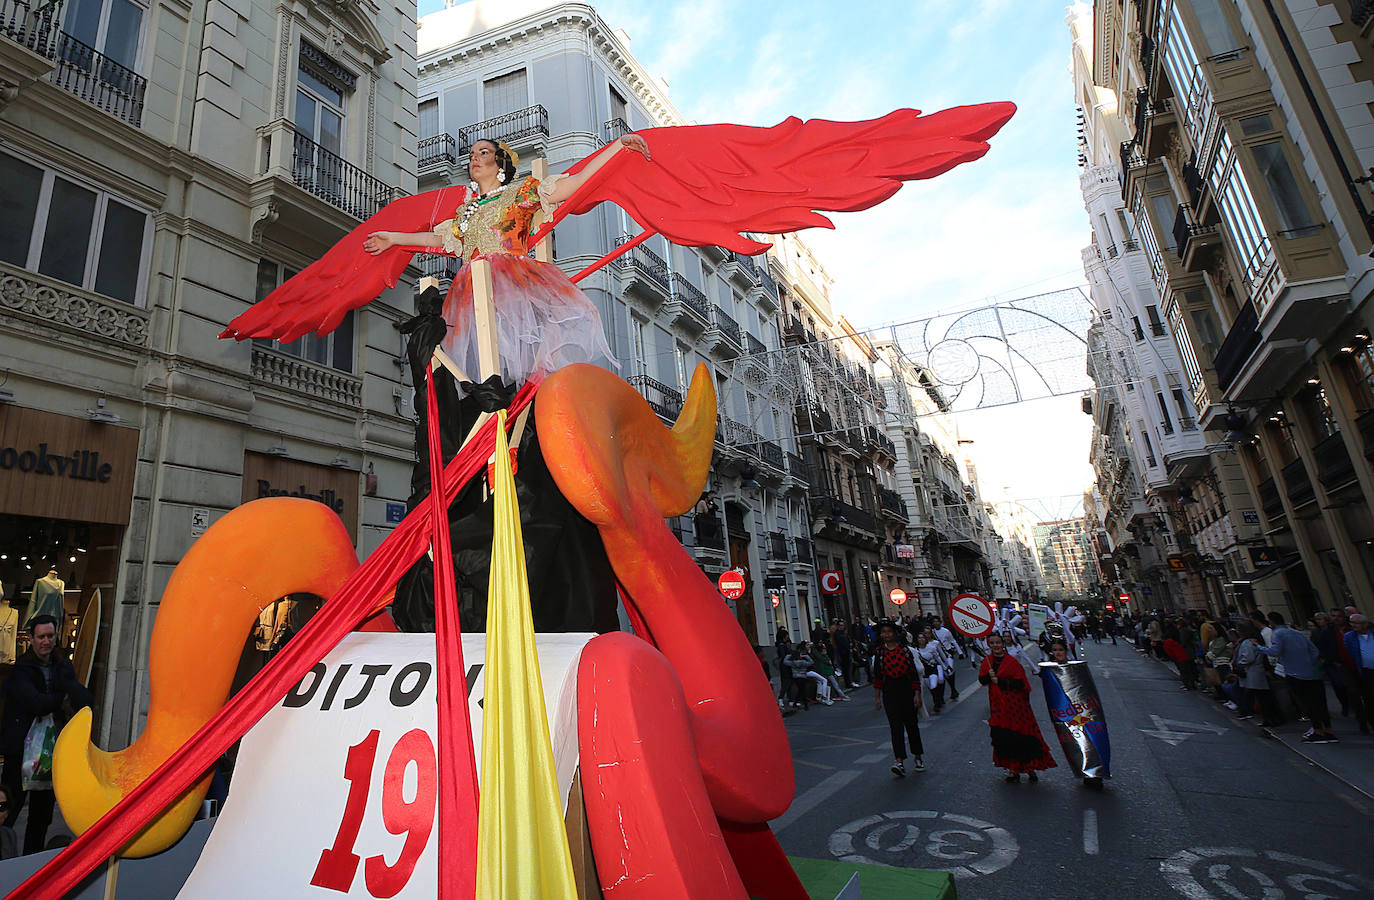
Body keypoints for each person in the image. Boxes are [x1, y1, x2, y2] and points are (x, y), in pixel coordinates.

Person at [1, 615, 93, 854]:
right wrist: (61, 698)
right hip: (20, 751)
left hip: (51, 753)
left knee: (41, 817)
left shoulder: (62, 666)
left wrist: (67, 687)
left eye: (50, 636)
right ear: (31, 639)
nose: (46, 641)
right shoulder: (22, 668)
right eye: (41, 636)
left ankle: (31, 863)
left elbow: (84, 700)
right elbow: (35, 703)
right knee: (9, 808)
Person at [978, 632, 1056, 782]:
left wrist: (1000, 681)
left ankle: (1030, 767)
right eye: (992, 643)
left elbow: (1021, 683)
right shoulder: (987, 662)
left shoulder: (1011, 662)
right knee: (1004, 737)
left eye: (998, 643)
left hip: (1016, 707)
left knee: (1022, 736)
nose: (995, 646)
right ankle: (1013, 769)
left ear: (1003, 644)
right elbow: (982, 680)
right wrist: (989, 676)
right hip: (998, 706)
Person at [1257, 612, 1335, 743]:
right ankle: (1328, 731)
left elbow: (1275, 652)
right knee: (1319, 702)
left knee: (1307, 702)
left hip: (1295, 673)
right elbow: (1315, 651)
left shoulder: (1278, 634)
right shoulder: (1297, 633)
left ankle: (1317, 731)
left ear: (1272, 622)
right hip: (1312, 672)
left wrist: (1258, 647)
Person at [871, 621, 925, 777]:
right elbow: (878, 677)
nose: (886, 635)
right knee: (896, 728)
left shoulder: (905, 651)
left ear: (894, 633)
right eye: (883, 632)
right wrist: (877, 698)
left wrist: (917, 694)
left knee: (912, 726)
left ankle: (918, 756)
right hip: (890, 693)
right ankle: (899, 761)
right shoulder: (880, 653)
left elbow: (914, 675)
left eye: (889, 631)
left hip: (906, 691)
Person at [1233, 623, 1280, 726]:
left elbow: (1249, 658)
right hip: (1258, 671)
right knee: (1264, 697)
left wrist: (1239, 663)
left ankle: (1270, 719)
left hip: (1253, 672)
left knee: (1262, 697)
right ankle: (1270, 718)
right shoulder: (1255, 640)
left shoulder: (1247, 642)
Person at [1343, 613, 1374, 734]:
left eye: (1356, 623)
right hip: (1366, 672)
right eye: (1352, 623)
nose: (1353, 625)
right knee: (1370, 698)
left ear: (1365, 624)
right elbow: (1351, 653)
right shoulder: (1349, 637)